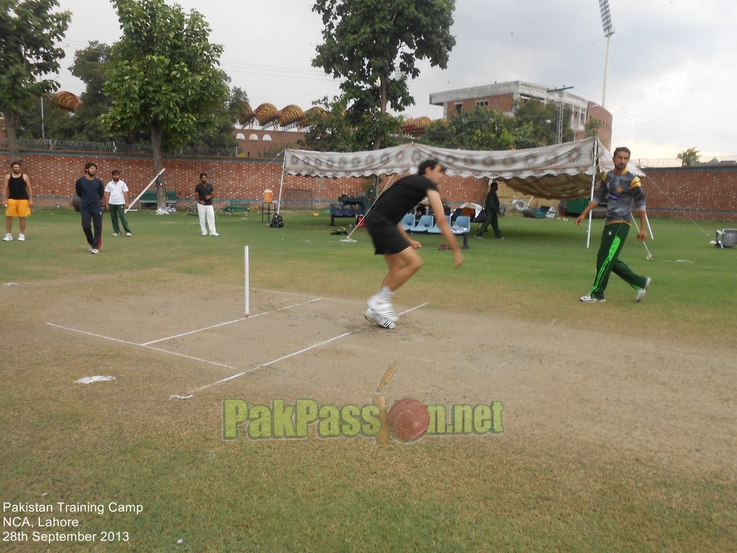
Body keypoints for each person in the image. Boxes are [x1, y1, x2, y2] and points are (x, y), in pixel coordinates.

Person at [364, 159, 463, 329]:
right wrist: (456, 249)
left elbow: (393, 215)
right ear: (427, 170)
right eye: (439, 171)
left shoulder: (408, 182)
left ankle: (376, 312)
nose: (441, 176)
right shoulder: (426, 184)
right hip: (381, 222)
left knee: (397, 268)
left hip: (377, 220)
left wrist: (407, 240)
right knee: (415, 263)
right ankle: (379, 301)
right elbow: (441, 220)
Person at [575, 146, 651, 303]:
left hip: (621, 223)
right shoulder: (607, 177)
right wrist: (584, 213)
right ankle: (639, 282)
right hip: (610, 222)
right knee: (609, 258)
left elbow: (641, 203)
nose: (623, 161)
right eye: (620, 158)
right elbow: (598, 197)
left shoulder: (632, 180)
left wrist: (643, 228)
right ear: (614, 159)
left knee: (605, 258)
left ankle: (597, 293)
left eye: (626, 158)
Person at [75, 162, 105, 254]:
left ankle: (96, 247)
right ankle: (92, 242)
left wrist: (96, 202)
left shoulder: (98, 182)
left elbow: (101, 194)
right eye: (92, 168)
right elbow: (79, 192)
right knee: (86, 226)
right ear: (86, 169)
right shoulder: (80, 181)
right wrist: (85, 200)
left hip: (96, 207)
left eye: (95, 169)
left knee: (98, 226)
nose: (94, 170)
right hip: (85, 207)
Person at [3, 161, 33, 242]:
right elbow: (5, 188)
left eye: (18, 167)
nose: (17, 169)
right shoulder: (8, 177)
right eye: (15, 167)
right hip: (11, 199)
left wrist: (30, 200)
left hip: (23, 199)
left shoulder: (25, 176)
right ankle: (9, 235)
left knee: (22, 217)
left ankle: (22, 234)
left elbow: (29, 188)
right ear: (12, 168)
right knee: (9, 217)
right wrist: (4, 200)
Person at [104, 170, 132, 237]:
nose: (116, 176)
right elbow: (107, 193)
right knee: (114, 217)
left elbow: (125, 193)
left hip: (120, 203)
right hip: (112, 203)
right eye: (115, 175)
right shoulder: (109, 184)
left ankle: (128, 231)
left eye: (117, 175)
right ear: (112, 176)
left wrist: (126, 203)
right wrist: (107, 204)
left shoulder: (122, 183)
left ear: (119, 175)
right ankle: (117, 231)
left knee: (122, 217)